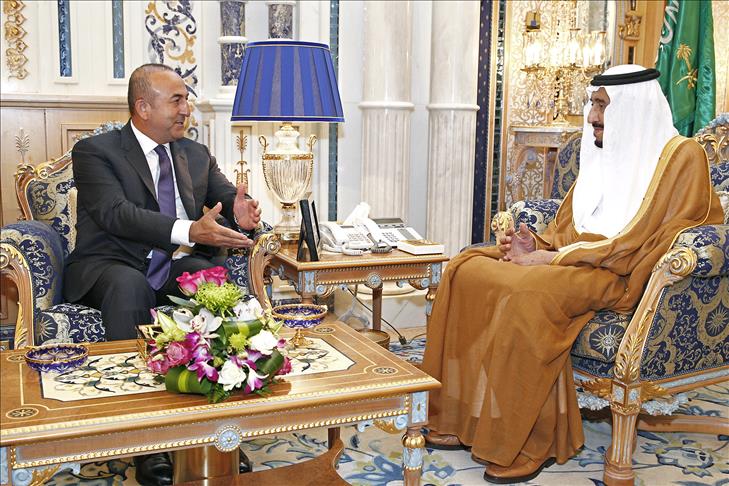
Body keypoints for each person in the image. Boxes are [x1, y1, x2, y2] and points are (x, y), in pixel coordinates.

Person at [421, 64, 724, 484]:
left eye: (602, 106)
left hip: (621, 270)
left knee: (529, 294)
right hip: (577, 259)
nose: (593, 116)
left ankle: (531, 441)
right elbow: (573, 222)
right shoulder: (600, 148)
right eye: (592, 104)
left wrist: (554, 260)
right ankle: (461, 418)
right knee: (467, 268)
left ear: (632, 109)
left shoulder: (682, 157)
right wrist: (537, 245)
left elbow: (654, 236)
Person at [64, 63, 261, 486]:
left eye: (186, 100)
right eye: (177, 100)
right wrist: (189, 230)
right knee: (129, 286)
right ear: (143, 107)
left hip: (171, 263)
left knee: (211, 281)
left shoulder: (195, 153)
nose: (186, 109)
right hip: (111, 262)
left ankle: (217, 429)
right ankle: (146, 441)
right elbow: (116, 214)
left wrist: (241, 212)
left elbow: (225, 198)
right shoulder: (96, 152)